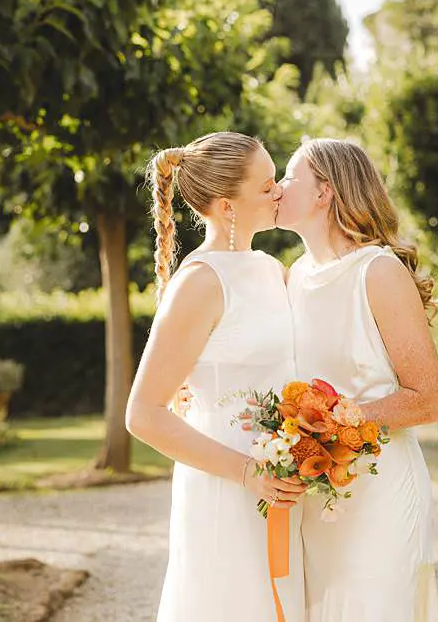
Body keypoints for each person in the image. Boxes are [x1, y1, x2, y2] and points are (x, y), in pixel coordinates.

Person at [126, 131, 306, 621]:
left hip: (282, 481)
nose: (280, 192)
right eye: (267, 185)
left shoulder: (271, 269)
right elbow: (142, 414)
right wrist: (250, 474)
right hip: (227, 485)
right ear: (227, 207)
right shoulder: (200, 282)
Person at [276, 138, 438, 622]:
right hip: (319, 492)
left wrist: (333, 420)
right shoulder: (295, 276)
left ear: (324, 191)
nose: (278, 189)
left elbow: (430, 400)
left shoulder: (378, 271)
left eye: (290, 177)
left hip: (379, 488)